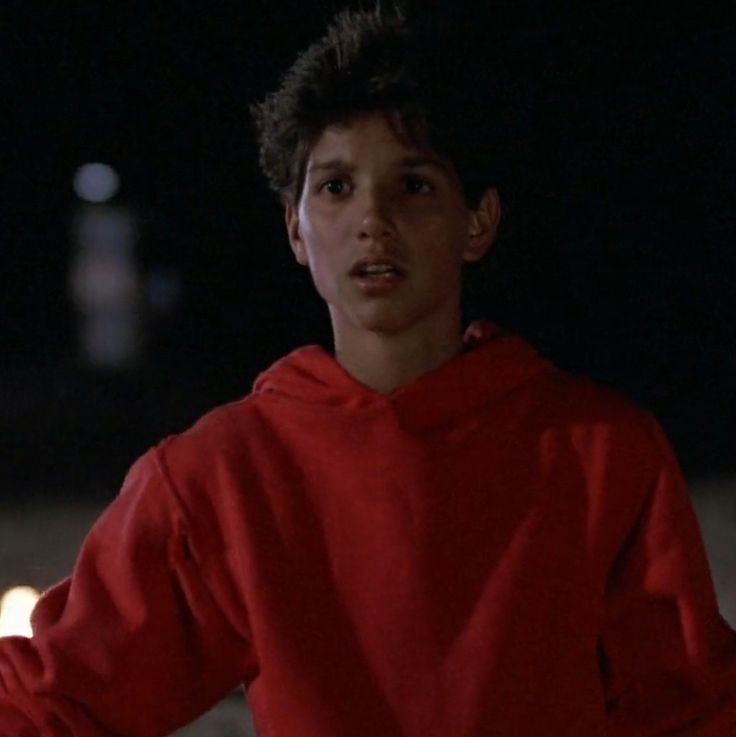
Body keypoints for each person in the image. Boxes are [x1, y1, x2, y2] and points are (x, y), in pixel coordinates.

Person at [2, 5, 736, 736]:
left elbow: (693, 705)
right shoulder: (223, 477)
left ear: (477, 219)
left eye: (412, 184)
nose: (371, 220)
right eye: (336, 187)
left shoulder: (599, 453)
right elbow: (58, 696)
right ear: (295, 226)